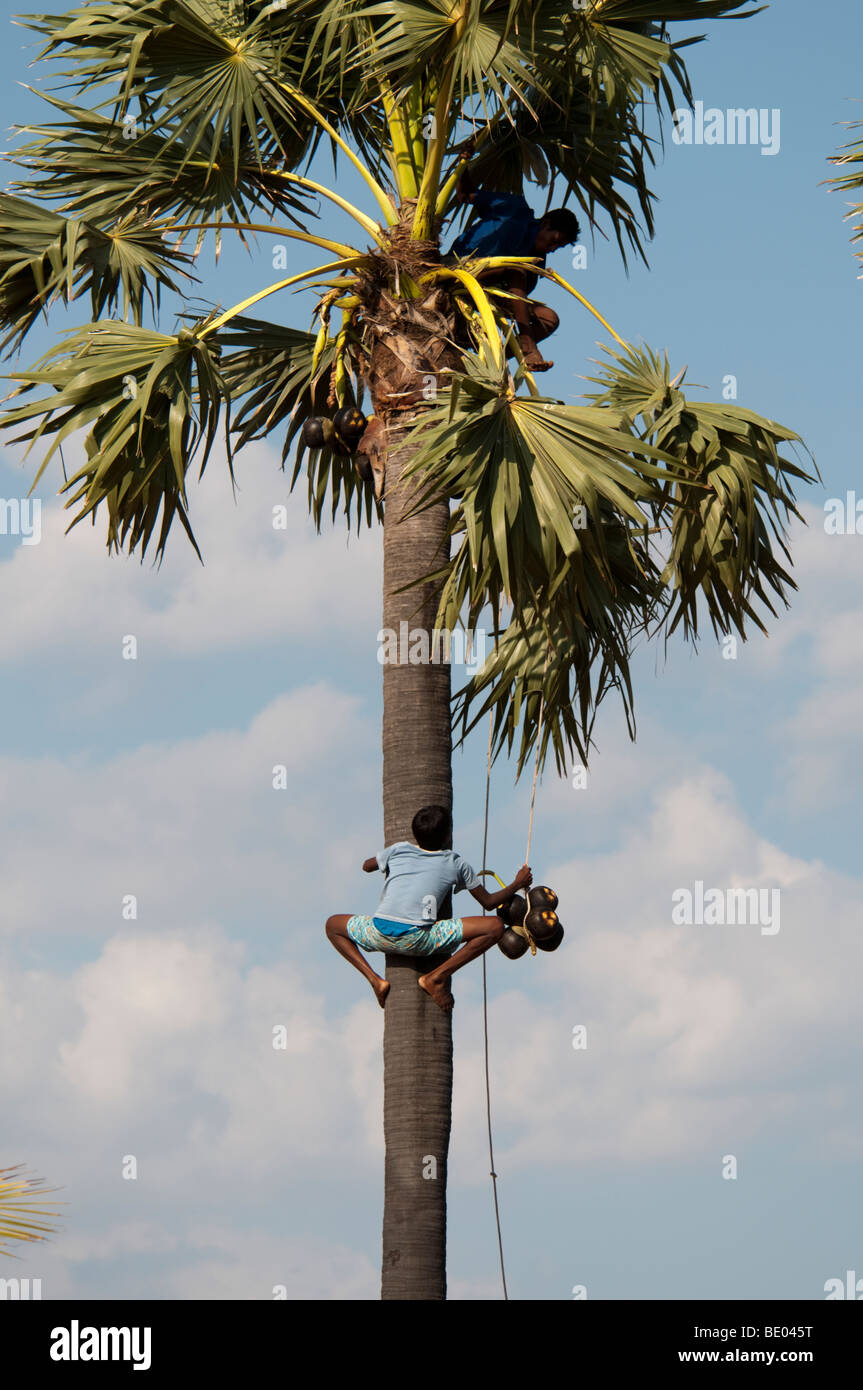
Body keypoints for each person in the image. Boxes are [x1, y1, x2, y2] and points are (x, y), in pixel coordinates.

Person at [325, 805, 532, 1012]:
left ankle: (374, 979)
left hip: (378, 932)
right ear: (447, 835)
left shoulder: (398, 849)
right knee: (495, 926)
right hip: (419, 939)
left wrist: (390, 861)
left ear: (415, 832)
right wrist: (517, 883)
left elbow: (366, 866)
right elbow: (488, 902)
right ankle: (436, 976)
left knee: (333, 925)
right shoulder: (455, 863)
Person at [447, 167, 581, 372]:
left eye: (558, 247)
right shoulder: (515, 210)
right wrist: (464, 163)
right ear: (545, 224)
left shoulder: (535, 265)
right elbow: (466, 194)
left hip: (481, 293)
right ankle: (527, 346)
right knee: (515, 269)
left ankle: (487, 361)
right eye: (554, 241)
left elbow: (514, 298)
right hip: (455, 270)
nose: (552, 249)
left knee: (549, 318)